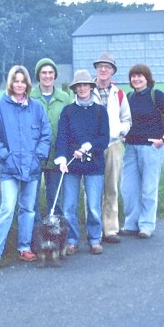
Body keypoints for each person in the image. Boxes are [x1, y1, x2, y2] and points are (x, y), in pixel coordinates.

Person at [0, 65, 52, 271]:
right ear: (10, 83)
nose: (19, 84)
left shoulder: (36, 107)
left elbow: (45, 135)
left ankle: (24, 248)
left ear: (28, 84)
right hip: (9, 169)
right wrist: (6, 157)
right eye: (16, 80)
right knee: (7, 209)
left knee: (28, 209)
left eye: (23, 81)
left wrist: (38, 157)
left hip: (32, 168)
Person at [119, 63, 164, 239]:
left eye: (140, 76)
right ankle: (131, 224)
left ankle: (146, 225)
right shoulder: (129, 97)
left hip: (152, 148)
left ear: (147, 78)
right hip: (130, 148)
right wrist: (123, 135)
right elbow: (124, 119)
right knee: (128, 189)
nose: (136, 79)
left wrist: (163, 139)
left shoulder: (157, 96)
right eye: (133, 76)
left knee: (148, 189)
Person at [54, 70, 111, 255]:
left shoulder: (100, 111)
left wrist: (88, 146)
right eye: (79, 85)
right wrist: (62, 158)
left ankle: (95, 239)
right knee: (69, 206)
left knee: (93, 206)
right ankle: (72, 240)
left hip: (94, 165)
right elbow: (62, 137)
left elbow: (104, 139)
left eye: (85, 85)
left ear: (91, 87)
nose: (82, 88)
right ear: (74, 89)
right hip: (71, 166)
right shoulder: (68, 111)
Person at [90, 51, 131, 244]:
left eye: (107, 67)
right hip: (92, 148)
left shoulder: (119, 93)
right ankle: (94, 230)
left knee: (111, 187)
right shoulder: (86, 90)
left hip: (114, 145)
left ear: (113, 71)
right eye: (100, 66)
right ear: (96, 69)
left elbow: (127, 120)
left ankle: (111, 229)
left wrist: (118, 131)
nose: (103, 69)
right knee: (92, 189)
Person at [30, 57, 71, 217]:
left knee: (55, 200)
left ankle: (55, 235)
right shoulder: (30, 96)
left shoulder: (65, 98)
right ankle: (36, 234)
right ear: (38, 75)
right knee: (31, 200)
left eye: (51, 72)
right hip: (34, 154)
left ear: (55, 75)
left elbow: (69, 126)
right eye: (43, 72)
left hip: (56, 154)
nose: (47, 76)